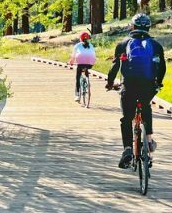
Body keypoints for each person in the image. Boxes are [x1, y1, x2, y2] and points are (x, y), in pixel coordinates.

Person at [106, 13, 166, 169]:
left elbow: (115, 67)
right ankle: (149, 140)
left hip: (129, 85)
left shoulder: (123, 44)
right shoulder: (156, 45)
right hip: (148, 85)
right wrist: (158, 83)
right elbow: (162, 68)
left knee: (127, 118)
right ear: (148, 27)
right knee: (145, 107)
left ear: (132, 26)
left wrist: (110, 83)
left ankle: (127, 149)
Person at [69, 32, 97, 102]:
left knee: (78, 77)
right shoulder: (91, 45)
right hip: (90, 63)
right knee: (86, 68)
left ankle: (77, 95)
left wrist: (71, 62)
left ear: (80, 38)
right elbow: (94, 55)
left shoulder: (77, 45)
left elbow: (73, 56)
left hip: (80, 63)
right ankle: (87, 83)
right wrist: (92, 62)